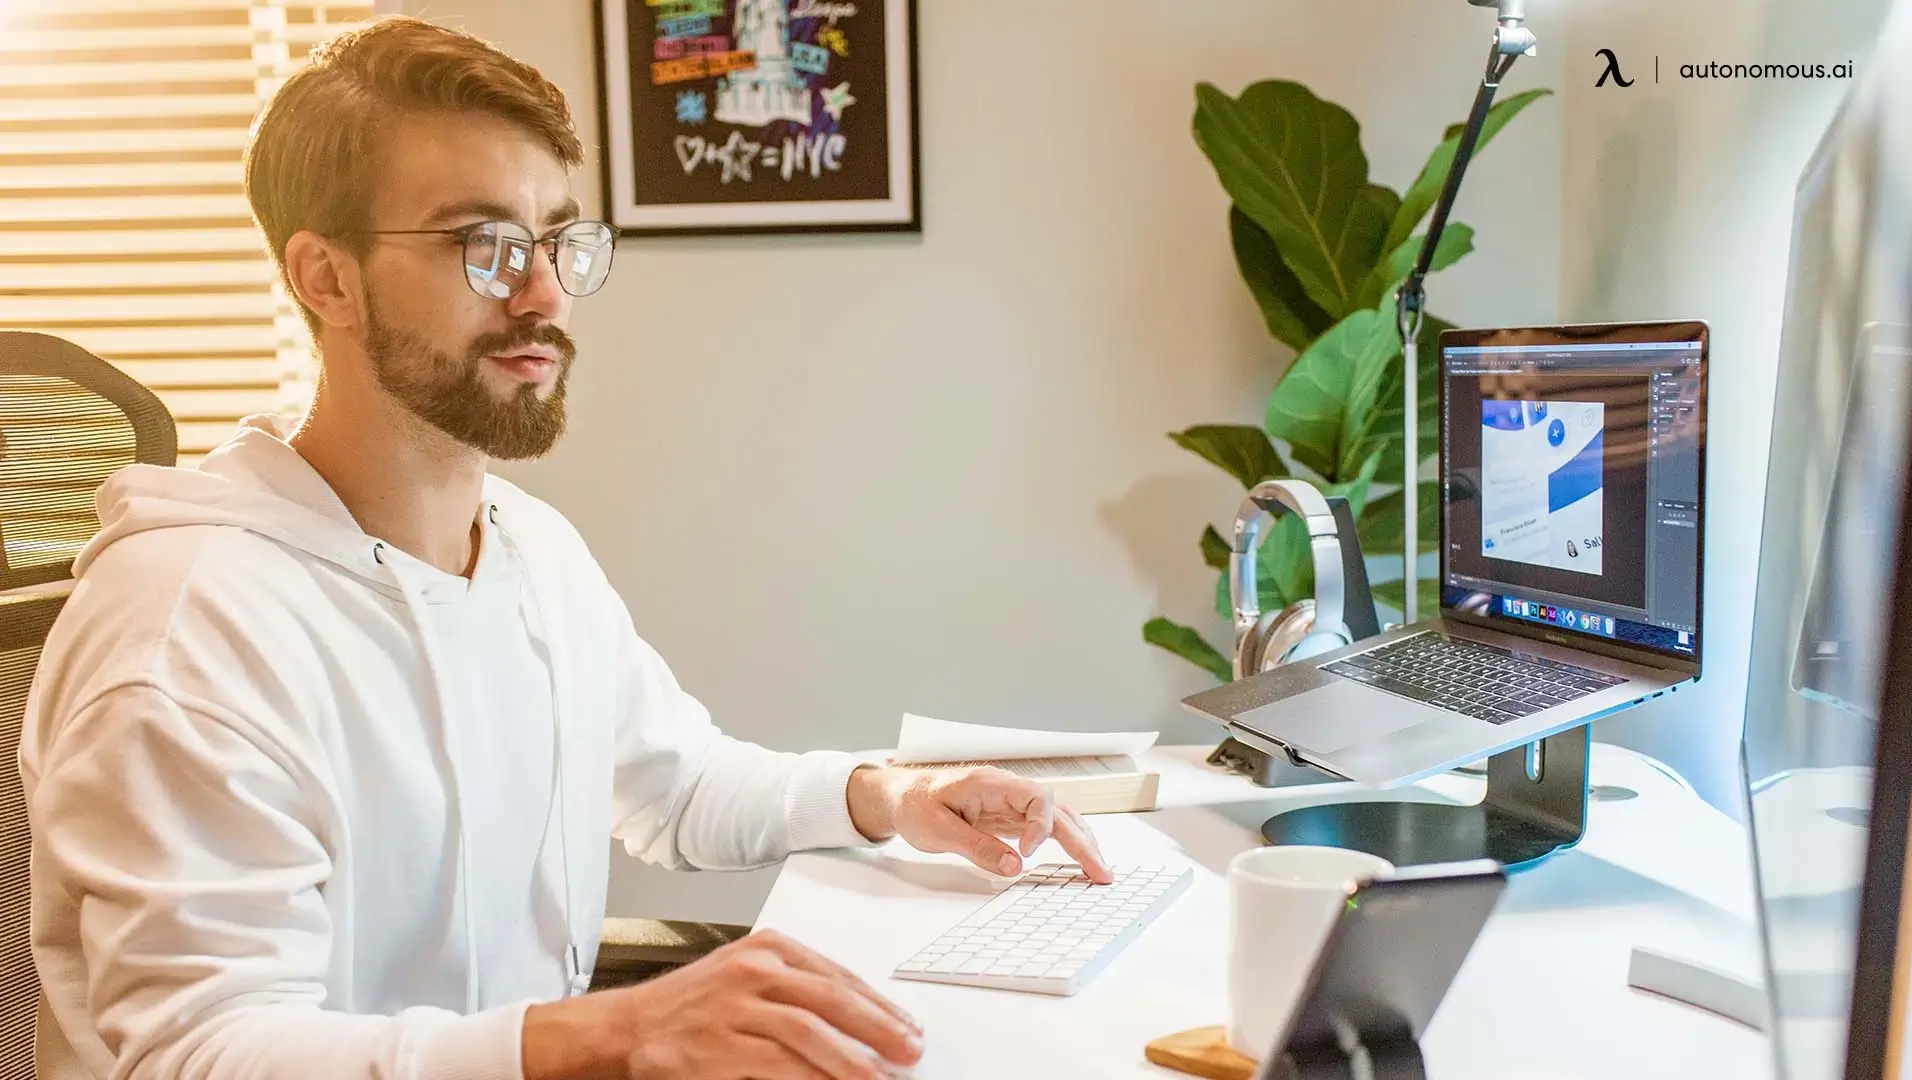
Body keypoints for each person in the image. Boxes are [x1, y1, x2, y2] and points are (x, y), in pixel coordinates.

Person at [18, 15, 1110, 1080]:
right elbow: (197, 1051)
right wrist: (603, 1036)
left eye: (558, 242)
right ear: (326, 278)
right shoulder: (187, 626)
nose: (544, 295)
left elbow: (673, 786)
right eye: (483, 246)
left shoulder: (529, 550)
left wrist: (889, 798)